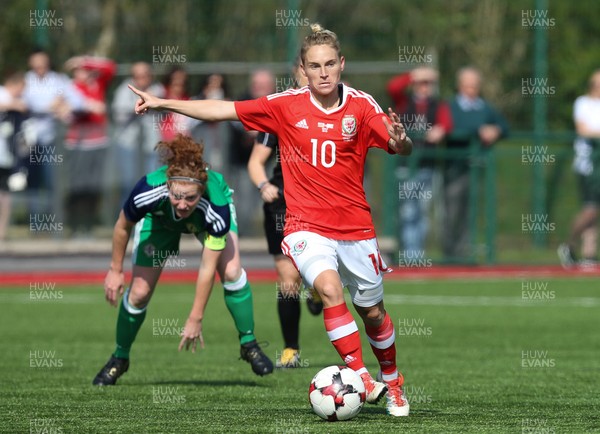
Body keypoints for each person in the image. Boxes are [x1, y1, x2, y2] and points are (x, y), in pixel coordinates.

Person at [129, 24, 413, 416]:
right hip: (305, 226)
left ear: (342, 64)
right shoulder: (285, 105)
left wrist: (400, 139)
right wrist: (163, 103)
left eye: (331, 63)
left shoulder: (362, 106)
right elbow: (223, 110)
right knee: (329, 291)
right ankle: (361, 378)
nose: (324, 72)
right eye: (315, 66)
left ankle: (393, 380)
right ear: (304, 68)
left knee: (373, 313)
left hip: (355, 228)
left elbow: (399, 145)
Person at [93, 134, 273, 386]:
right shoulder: (148, 190)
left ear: (201, 190)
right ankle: (120, 358)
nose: (182, 204)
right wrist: (115, 270)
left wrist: (195, 317)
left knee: (232, 271)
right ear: (167, 186)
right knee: (139, 293)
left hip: (205, 222)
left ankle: (248, 343)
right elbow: (122, 226)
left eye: (191, 197)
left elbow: (207, 268)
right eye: (177, 195)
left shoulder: (215, 207)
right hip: (160, 221)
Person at [247, 64, 324, 368]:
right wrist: (263, 184)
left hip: (320, 202)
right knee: (288, 278)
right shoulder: (281, 112)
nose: (316, 76)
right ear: (298, 73)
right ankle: (291, 350)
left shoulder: (338, 109)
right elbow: (256, 163)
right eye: (309, 68)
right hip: (282, 205)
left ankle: (318, 292)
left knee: (321, 275)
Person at [443, 66, 508, 261]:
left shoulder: (484, 107)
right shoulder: (450, 106)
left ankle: (464, 253)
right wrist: (479, 129)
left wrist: (495, 130)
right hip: (454, 168)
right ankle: (450, 254)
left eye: (475, 86)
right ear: (460, 86)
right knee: (452, 210)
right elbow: (451, 127)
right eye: (467, 85)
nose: (472, 90)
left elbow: (505, 126)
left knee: (470, 211)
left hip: (476, 167)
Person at [387, 67, 452, 257]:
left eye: (428, 83)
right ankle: (409, 254)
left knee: (422, 212)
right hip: (406, 167)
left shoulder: (437, 105)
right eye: (422, 83)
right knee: (408, 211)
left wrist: (441, 130)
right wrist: (413, 75)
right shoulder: (404, 103)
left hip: (427, 167)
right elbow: (393, 87)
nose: (425, 87)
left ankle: (417, 256)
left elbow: (447, 123)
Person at [22, 50, 84, 216]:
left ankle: (53, 219)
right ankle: (34, 221)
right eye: (36, 63)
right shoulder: (26, 80)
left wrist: (65, 106)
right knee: (32, 181)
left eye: (42, 63)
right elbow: (24, 104)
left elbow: (78, 102)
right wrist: (51, 106)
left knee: (52, 181)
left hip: (53, 139)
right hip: (30, 141)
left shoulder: (58, 81)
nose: (39, 67)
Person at [63, 55, 116, 237]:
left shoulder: (97, 83)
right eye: (78, 70)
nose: (81, 73)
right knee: (78, 187)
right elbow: (71, 108)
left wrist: (84, 60)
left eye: (83, 69)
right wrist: (88, 106)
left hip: (98, 143)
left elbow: (110, 68)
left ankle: (89, 226)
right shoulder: (72, 87)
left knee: (94, 186)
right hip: (77, 144)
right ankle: (76, 226)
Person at [558, 69, 600, 268]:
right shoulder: (582, 103)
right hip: (589, 165)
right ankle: (568, 244)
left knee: (594, 209)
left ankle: (589, 253)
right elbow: (583, 129)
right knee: (591, 208)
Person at [111, 62, 164, 207]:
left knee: (152, 185)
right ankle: (127, 221)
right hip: (128, 145)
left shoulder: (158, 89)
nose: (142, 79)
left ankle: (150, 221)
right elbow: (118, 116)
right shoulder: (124, 90)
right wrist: (141, 105)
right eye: (138, 76)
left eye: (145, 76)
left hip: (151, 145)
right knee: (129, 185)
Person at [231, 68, 276, 235]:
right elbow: (231, 121)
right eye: (257, 85)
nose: (260, 88)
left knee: (273, 199)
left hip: (270, 161)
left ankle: (274, 234)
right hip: (244, 161)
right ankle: (241, 235)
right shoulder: (242, 101)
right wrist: (248, 129)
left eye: (264, 85)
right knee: (244, 202)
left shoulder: (277, 103)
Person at [0, 71, 28, 241]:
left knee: (5, 193)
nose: (21, 94)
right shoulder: (4, 95)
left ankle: (2, 232)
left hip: (6, 156)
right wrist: (15, 105)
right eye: (21, 89)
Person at [159, 66, 190, 141]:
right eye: (176, 79)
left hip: (183, 138)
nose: (180, 80)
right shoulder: (162, 95)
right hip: (167, 137)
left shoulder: (186, 98)